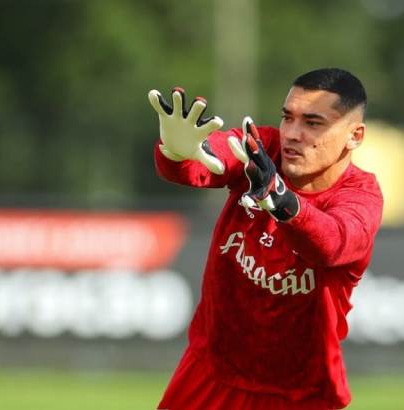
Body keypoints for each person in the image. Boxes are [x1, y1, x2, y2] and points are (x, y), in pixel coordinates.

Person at [148, 68, 384, 410]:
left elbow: (332, 244)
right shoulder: (262, 151)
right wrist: (176, 152)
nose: (292, 134)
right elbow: (208, 160)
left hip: (300, 395)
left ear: (354, 136)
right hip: (210, 375)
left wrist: (280, 198)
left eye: (313, 123)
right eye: (288, 117)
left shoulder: (361, 195)